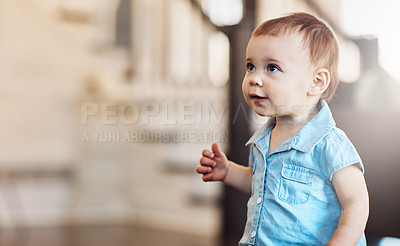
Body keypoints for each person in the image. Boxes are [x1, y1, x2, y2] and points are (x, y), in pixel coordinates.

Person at [196, 12, 369, 245]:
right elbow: (262, 182)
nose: (255, 78)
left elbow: (356, 203)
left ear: (316, 82)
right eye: (250, 66)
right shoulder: (264, 139)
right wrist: (228, 171)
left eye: (272, 68)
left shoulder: (329, 145)